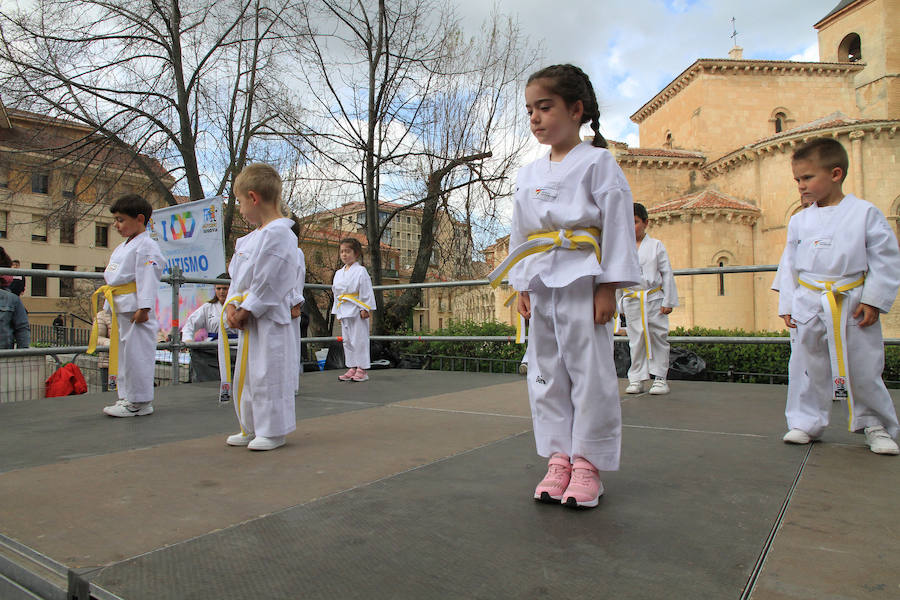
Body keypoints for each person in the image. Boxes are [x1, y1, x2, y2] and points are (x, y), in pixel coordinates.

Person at [488, 64, 640, 508]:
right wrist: (522, 285)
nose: (535, 118)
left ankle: (588, 463)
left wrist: (609, 287)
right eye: (530, 110)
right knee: (545, 372)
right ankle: (558, 458)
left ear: (576, 110)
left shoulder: (599, 163)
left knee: (589, 372)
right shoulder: (528, 175)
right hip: (541, 280)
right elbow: (521, 234)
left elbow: (615, 227)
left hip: (582, 278)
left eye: (545, 107)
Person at [773, 137, 900, 455]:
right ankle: (806, 421)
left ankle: (875, 424)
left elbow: (885, 259)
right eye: (797, 180)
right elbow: (789, 265)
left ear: (835, 173)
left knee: (864, 365)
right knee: (806, 365)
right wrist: (787, 303)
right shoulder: (799, 221)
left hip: (852, 301)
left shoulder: (865, 213)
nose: (801, 186)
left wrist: (874, 299)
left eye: (807, 178)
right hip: (809, 302)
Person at [224, 163, 300, 451]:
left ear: (253, 198)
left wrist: (248, 308)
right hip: (248, 316)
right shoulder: (251, 238)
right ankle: (250, 425)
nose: (240, 209)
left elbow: (271, 279)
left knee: (269, 373)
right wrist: (232, 304)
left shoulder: (281, 234)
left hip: (268, 316)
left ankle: (273, 429)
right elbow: (237, 277)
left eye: (240, 202)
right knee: (247, 374)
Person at [87, 194, 165, 417]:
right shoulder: (125, 246)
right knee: (123, 355)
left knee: (137, 355)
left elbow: (148, 277)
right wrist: (107, 307)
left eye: (121, 219)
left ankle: (138, 401)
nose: (116, 225)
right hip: (121, 306)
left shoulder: (147, 246)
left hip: (136, 309)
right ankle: (128, 397)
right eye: (116, 220)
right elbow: (114, 280)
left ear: (139, 219)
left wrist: (145, 308)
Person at [617, 203, 678, 395]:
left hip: (653, 299)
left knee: (658, 337)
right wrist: (619, 304)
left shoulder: (656, 246)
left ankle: (660, 378)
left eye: (635, 222)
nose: (631, 226)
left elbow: (666, 273)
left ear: (645, 223)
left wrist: (668, 301)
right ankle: (636, 379)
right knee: (635, 340)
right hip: (632, 299)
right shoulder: (621, 248)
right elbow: (617, 277)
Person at [331, 237, 376, 382]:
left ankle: (362, 369)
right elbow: (336, 294)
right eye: (342, 252)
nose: (344, 254)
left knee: (359, 339)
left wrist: (365, 308)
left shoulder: (361, 271)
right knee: (347, 340)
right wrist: (337, 311)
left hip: (357, 308)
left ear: (356, 254)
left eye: (348, 251)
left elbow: (366, 290)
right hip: (344, 308)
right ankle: (352, 366)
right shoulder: (339, 273)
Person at [181, 274, 238, 384]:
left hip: (236, 347)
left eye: (225, 289)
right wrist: (188, 341)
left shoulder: (240, 306)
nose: (221, 292)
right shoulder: (208, 308)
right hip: (213, 349)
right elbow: (190, 324)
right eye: (218, 288)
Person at [289, 218, 307, 385]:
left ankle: (291, 383)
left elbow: (297, 278)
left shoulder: (296, 252)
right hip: (272, 305)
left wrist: (295, 303)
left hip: (289, 304)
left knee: (290, 345)